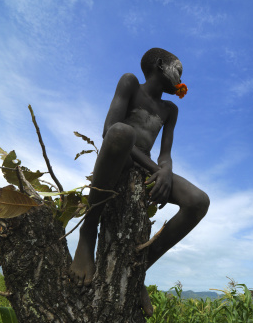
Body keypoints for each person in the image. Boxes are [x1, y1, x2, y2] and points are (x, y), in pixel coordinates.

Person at [69, 48, 209, 297]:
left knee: (198, 201)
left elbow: (165, 153)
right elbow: (110, 129)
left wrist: (165, 170)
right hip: (117, 157)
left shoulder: (170, 110)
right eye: (178, 71)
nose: (180, 79)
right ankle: (88, 231)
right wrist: (157, 169)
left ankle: (139, 269)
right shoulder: (130, 82)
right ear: (159, 65)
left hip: (145, 168)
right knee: (123, 132)